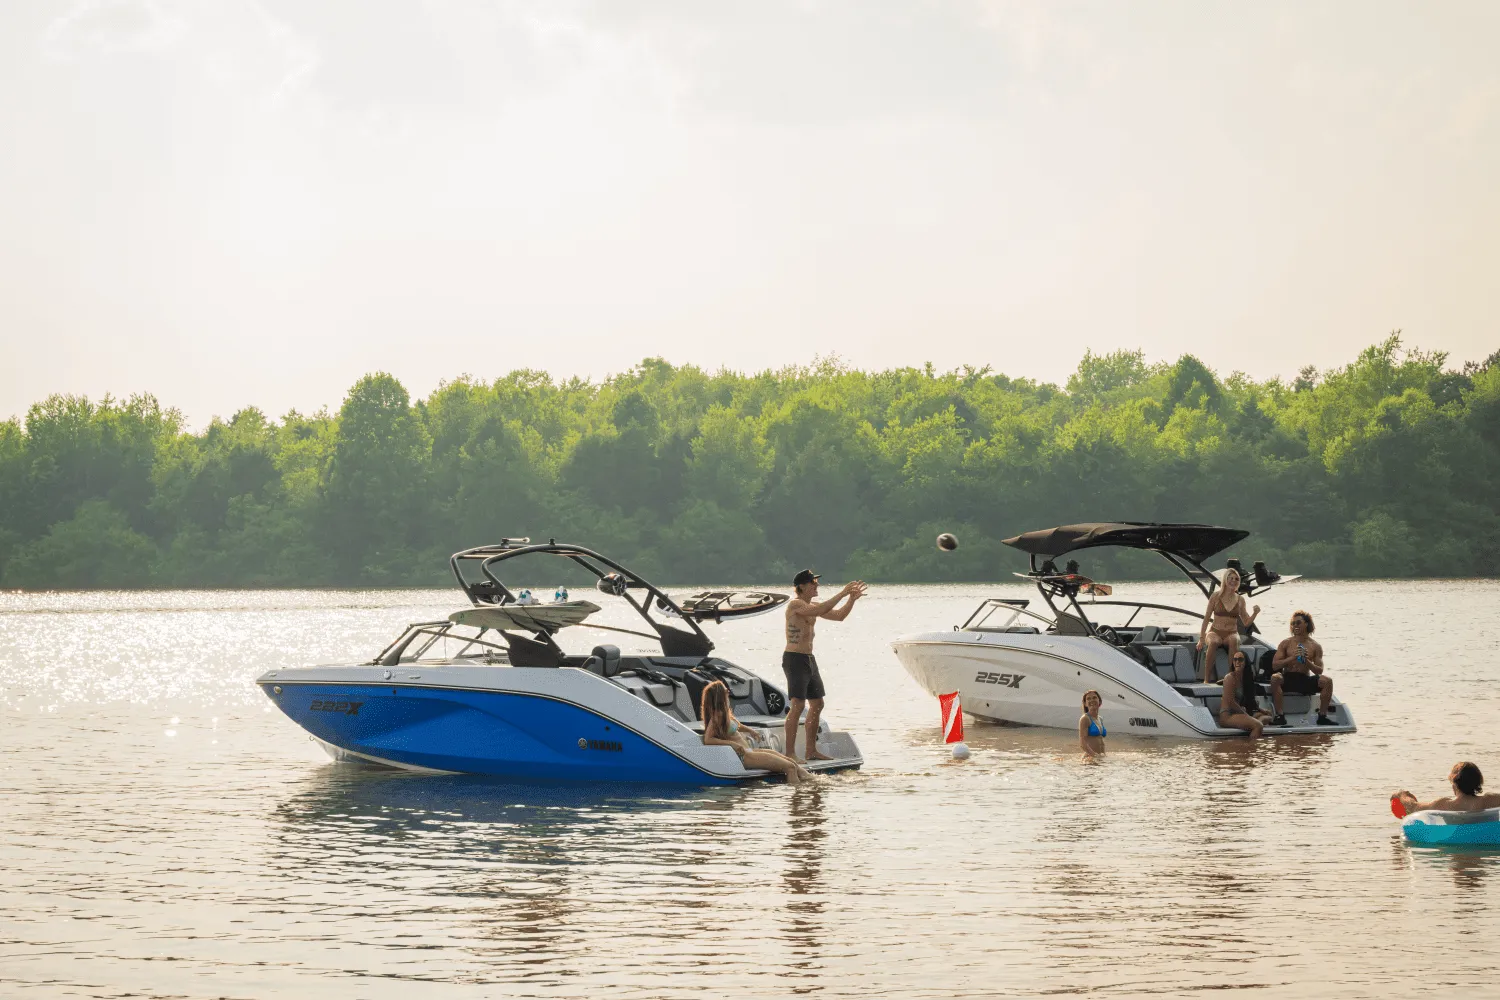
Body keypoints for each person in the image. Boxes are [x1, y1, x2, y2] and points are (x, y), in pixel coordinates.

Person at [783, 569, 867, 761]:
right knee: (798, 705)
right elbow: (819, 610)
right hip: (794, 658)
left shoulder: (813, 605)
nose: (817, 585)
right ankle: (790, 753)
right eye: (812, 583)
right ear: (801, 587)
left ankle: (811, 751)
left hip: (809, 658)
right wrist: (842, 592)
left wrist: (851, 599)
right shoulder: (795, 604)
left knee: (817, 703)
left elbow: (839, 616)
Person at [700, 680, 814, 786]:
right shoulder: (717, 717)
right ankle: (798, 794)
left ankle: (812, 782)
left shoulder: (724, 714)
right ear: (719, 696)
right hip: (744, 757)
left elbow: (737, 726)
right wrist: (732, 744)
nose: (728, 692)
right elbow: (708, 739)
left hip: (750, 751)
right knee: (790, 768)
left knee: (792, 763)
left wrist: (750, 731)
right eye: (726, 691)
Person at [1269, 610, 1335, 726]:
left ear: (1306, 624)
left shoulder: (1315, 646)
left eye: (1298, 623)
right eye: (1293, 623)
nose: (1295, 625)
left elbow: (1319, 670)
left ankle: (1322, 716)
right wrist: (1292, 658)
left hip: (1304, 678)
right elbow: (1275, 665)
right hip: (1288, 677)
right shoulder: (1286, 643)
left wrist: (1306, 661)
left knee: (1327, 681)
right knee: (1275, 678)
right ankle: (1280, 715)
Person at [1196, 567, 1260, 683]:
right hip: (1215, 631)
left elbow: (1246, 622)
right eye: (1231, 578)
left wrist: (1255, 613)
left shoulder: (1240, 599)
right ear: (1225, 580)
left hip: (1231, 632)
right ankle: (1206, 679)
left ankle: (1230, 677)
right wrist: (1201, 638)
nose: (1233, 581)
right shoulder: (1215, 596)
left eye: (1236, 579)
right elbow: (1206, 618)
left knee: (1234, 640)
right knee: (1214, 642)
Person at [1395, 762, 1500, 814]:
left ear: (1454, 783)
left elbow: (1413, 807)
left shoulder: (1444, 804)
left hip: (1455, 843)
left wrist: (1402, 795)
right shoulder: (1489, 800)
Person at [1217, 649, 1268, 737]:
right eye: (1235, 659)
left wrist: (1261, 710)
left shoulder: (1245, 679)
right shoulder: (1229, 677)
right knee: (1258, 726)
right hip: (1227, 715)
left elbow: (1249, 700)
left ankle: (1253, 727)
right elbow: (1231, 702)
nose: (1237, 662)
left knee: (1267, 716)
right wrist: (1246, 715)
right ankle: (1250, 745)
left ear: (1245, 662)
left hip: (1237, 713)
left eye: (1240, 659)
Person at [1078, 690, 1106, 758]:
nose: (1092, 700)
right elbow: (1082, 744)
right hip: (1091, 758)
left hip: (1101, 757)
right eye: (1088, 699)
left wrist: (1103, 756)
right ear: (1085, 703)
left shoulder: (1100, 719)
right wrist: (1095, 756)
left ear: (1100, 701)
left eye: (1094, 697)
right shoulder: (1085, 719)